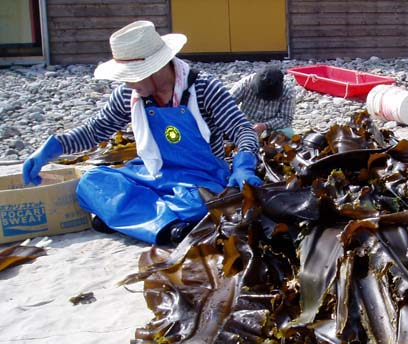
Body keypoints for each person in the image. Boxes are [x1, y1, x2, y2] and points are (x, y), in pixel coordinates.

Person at [21, 20, 262, 246]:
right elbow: (96, 130)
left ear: (156, 67)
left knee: (201, 205)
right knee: (90, 183)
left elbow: (241, 129)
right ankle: (165, 224)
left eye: (130, 77)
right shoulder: (130, 95)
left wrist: (244, 165)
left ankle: (141, 220)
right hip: (151, 173)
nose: (126, 84)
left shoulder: (203, 88)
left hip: (199, 179)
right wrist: (53, 148)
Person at [229, 64, 295, 139]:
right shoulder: (245, 83)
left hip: (271, 129)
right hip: (244, 125)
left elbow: (286, 119)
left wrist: (264, 125)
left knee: (288, 133)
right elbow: (226, 105)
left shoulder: (288, 91)